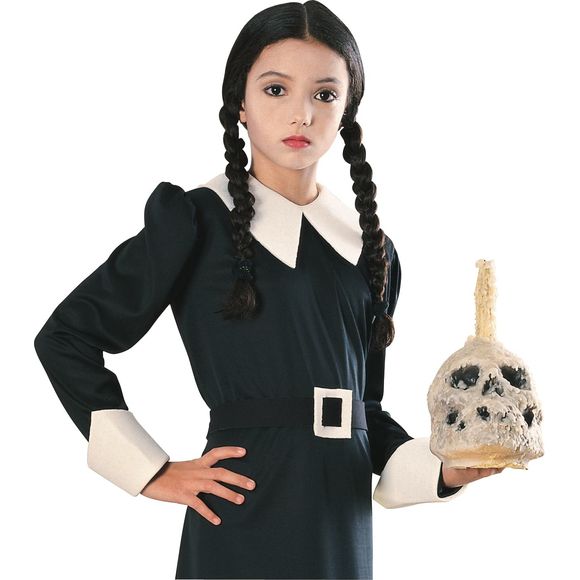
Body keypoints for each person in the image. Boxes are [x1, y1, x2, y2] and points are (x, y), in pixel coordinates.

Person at [33, 2, 504, 578]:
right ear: (240, 102)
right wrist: (150, 470)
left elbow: (366, 414)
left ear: (347, 109)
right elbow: (67, 338)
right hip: (241, 507)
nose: (301, 114)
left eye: (324, 94)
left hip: (338, 520)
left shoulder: (371, 251)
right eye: (276, 89)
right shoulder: (196, 220)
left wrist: (444, 470)